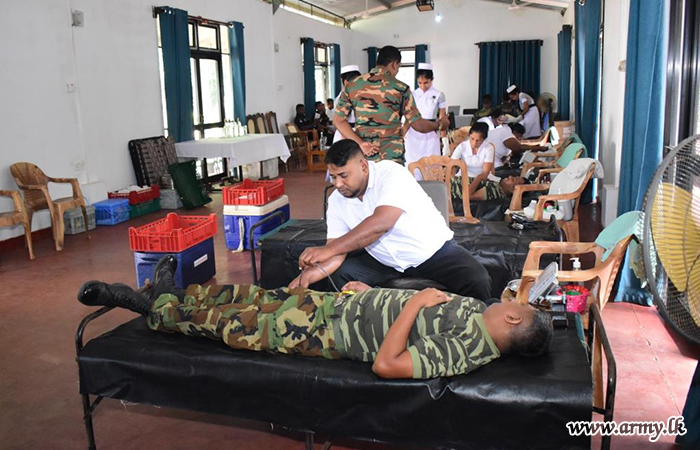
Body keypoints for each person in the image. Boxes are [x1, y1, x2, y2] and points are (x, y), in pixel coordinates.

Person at [77, 256, 553, 379]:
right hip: (338, 307)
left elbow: (387, 364)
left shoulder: (467, 348)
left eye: (518, 305)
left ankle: (146, 306)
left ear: (513, 321)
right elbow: (412, 311)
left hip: (325, 333)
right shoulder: (477, 313)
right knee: (245, 295)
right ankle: (173, 292)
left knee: (230, 323)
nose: (510, 299)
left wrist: (410, 304)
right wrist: (372, 294)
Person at [290, 139, 492, 301]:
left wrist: (328, 250)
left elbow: (381, 224)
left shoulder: (391, 173)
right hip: (383, 260)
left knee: (476, 279)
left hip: (433, 253)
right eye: (333, 177)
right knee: (338, 276)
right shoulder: (337, 200)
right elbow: (336, 249)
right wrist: (310, 274)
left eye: (343, 175)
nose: (338, 184)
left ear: (363, 166)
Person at [333, 46, 449, 164]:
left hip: (364, 157)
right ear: (394, 64)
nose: (397, 71)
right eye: (398, 67)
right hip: (392, 157)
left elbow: (338, 120)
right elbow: (419, 125)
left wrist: (360, 143)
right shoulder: (401, 88)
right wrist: (440, 124)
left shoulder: (353, 86)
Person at [403, 63, 447, 167]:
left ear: (432, 79)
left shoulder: (439, 95)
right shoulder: (412, 95)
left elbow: (442, 119)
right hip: (413, 133)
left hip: (431, 133)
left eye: (426, 83)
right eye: (420, 83)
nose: (423, 86)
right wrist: (402, 135)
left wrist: (445, 140)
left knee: (431, 164)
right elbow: (408, 119)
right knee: (413, 164)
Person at [450, 122, 495, 197]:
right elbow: (451, 165)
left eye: (478, 140)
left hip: (481, 179)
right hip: (463, 178)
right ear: (469, 135)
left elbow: (485, 173)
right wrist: (452, 177)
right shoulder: (462, 146)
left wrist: (471, 188)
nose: (474, 143)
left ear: (484, 139)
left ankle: (466, 197)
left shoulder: (488, 148)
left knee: (490, 191)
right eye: (472, 139)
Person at [332, 65, 361, 144]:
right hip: (346, 133)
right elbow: (340, 121)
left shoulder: (359, 96)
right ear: (346, 82)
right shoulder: (340, 99)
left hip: (357, 133)